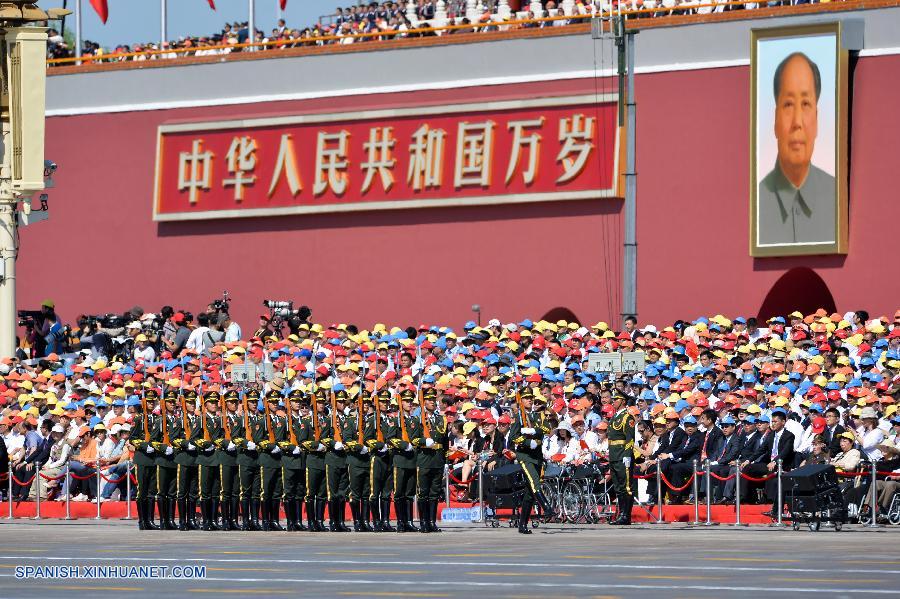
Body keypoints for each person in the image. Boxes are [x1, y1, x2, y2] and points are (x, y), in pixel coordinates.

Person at [757, 52, 836, 246]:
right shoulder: (755, 204)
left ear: (817, 120)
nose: (797, 122)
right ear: (775, 120)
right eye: (789, 104)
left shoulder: (838, 199)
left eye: (806, 104)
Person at [510, 386, 552, 533]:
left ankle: (522, 525)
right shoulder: (518, 417)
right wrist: (528, 442)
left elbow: (548, 429)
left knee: (529, 493)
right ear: (521, 401)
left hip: (537, 455)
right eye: (526, 398)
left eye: (531, 398)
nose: (530, 400)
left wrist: (535, 431)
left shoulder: (537, 415)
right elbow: (513, 438)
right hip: (524, 456)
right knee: (534, 482)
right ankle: (547, 507)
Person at [606, 392, 636, 525]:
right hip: (614, 456)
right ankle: (621, 514)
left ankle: (626, 515)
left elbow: (630, 438)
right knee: (618, 487)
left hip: (622, 456)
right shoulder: (614, 417)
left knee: (626, 487)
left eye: (616, 399)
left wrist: (627, 455)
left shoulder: (627, 417)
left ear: (623, 401)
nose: (613, 401)